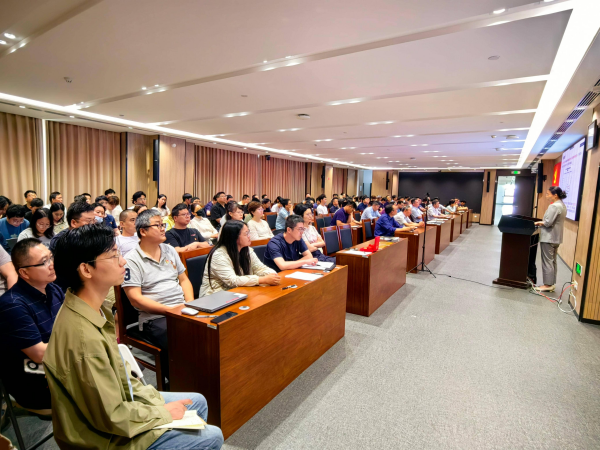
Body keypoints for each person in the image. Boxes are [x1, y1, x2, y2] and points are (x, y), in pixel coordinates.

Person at [47, 223, 223, 449]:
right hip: (104, 438)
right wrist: (162, 413)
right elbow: (112, 417)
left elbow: (120, 377)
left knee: (197, 401)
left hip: (118, 404)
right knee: (213, 436)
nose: (123, 261)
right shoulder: (83, 339)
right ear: (86, 270)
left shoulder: (92, 307)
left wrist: (154, 403)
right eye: (113, 255)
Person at [123, 210, 195, 383]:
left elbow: (184, 280)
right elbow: (135, 299)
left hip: (182, 309)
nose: (164, 228)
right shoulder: (132, 259)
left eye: (163, 225)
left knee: (211, 330)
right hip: (155, 317)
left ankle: (204, 381)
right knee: (182, 338)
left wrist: (190, 304)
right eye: (158, 225)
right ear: (143, 231)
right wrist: (170, 310)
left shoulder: (169, 250)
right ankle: (181, 383)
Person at [0, 239, 64, 413]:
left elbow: (73, 325)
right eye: (44, 262)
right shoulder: (12, 305)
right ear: (24, 273)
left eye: (51, 257)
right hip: (33, 380)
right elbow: (39, 354)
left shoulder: (53, 289)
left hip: (59, 365)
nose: (51, 264)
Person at [200, 221, 279, 297]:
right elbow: (233, 280)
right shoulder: (218, 255)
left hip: (238, 292)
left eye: (249, 232)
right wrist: (262, 280)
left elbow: (259, 267)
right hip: (215, 295)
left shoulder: (246, 249)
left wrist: (272, 275)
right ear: (234, 237)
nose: (249, 236)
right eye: (246, 234)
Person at [534, 186, 568, 292]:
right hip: (556, 237)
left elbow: (548, 223)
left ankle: (547, 285)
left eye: (548, 194)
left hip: (549, 238)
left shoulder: (554, 206)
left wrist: (538, 222)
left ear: (555, 195)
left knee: (547, 261)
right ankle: (551, 283)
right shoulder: (562, 205)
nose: (546, 196)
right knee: (552, 261)